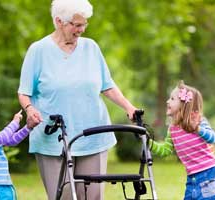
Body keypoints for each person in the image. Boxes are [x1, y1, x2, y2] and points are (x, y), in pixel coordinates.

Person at [17, 0, 137, 199]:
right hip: (53, 137)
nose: (81, 29)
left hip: (93, 134)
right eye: (76, 24)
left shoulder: (91, 48)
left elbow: (106, 85)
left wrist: (129, 107)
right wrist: (30, 109)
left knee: (93, 195)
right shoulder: (38, 50)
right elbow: (24, 92)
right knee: (62, 196)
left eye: (84, 24)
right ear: (59, 21)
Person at [151, 81, 215, 200]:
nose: (167, 101)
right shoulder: (172, 129)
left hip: (209, 172)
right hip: (192, 177)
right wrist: (148, 142)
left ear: (183, 105)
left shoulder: (199, 121)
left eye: (172, 99)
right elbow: (165, 150)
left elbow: (213, 138)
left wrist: (197, 128)